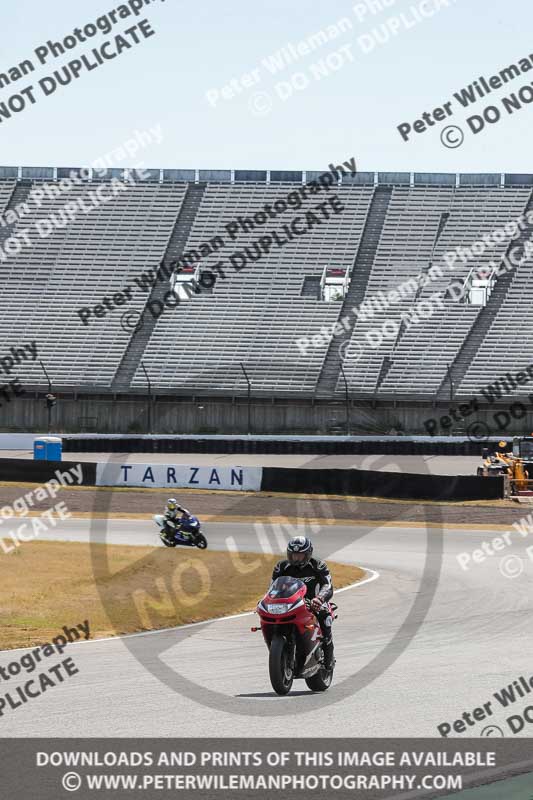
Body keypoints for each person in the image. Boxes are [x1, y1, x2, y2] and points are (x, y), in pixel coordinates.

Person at [271, 536, 335, 670]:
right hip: (290, 603)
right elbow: (272, 587)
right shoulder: (281, 567)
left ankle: (328, 658)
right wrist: (267, 599)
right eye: (293, 555)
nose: (296, 558)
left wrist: (319, 598)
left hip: (314, 602)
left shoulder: (318, 565)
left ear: (308, 554)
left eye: (299, 555)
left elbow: (327, 586)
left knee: (325, 618)